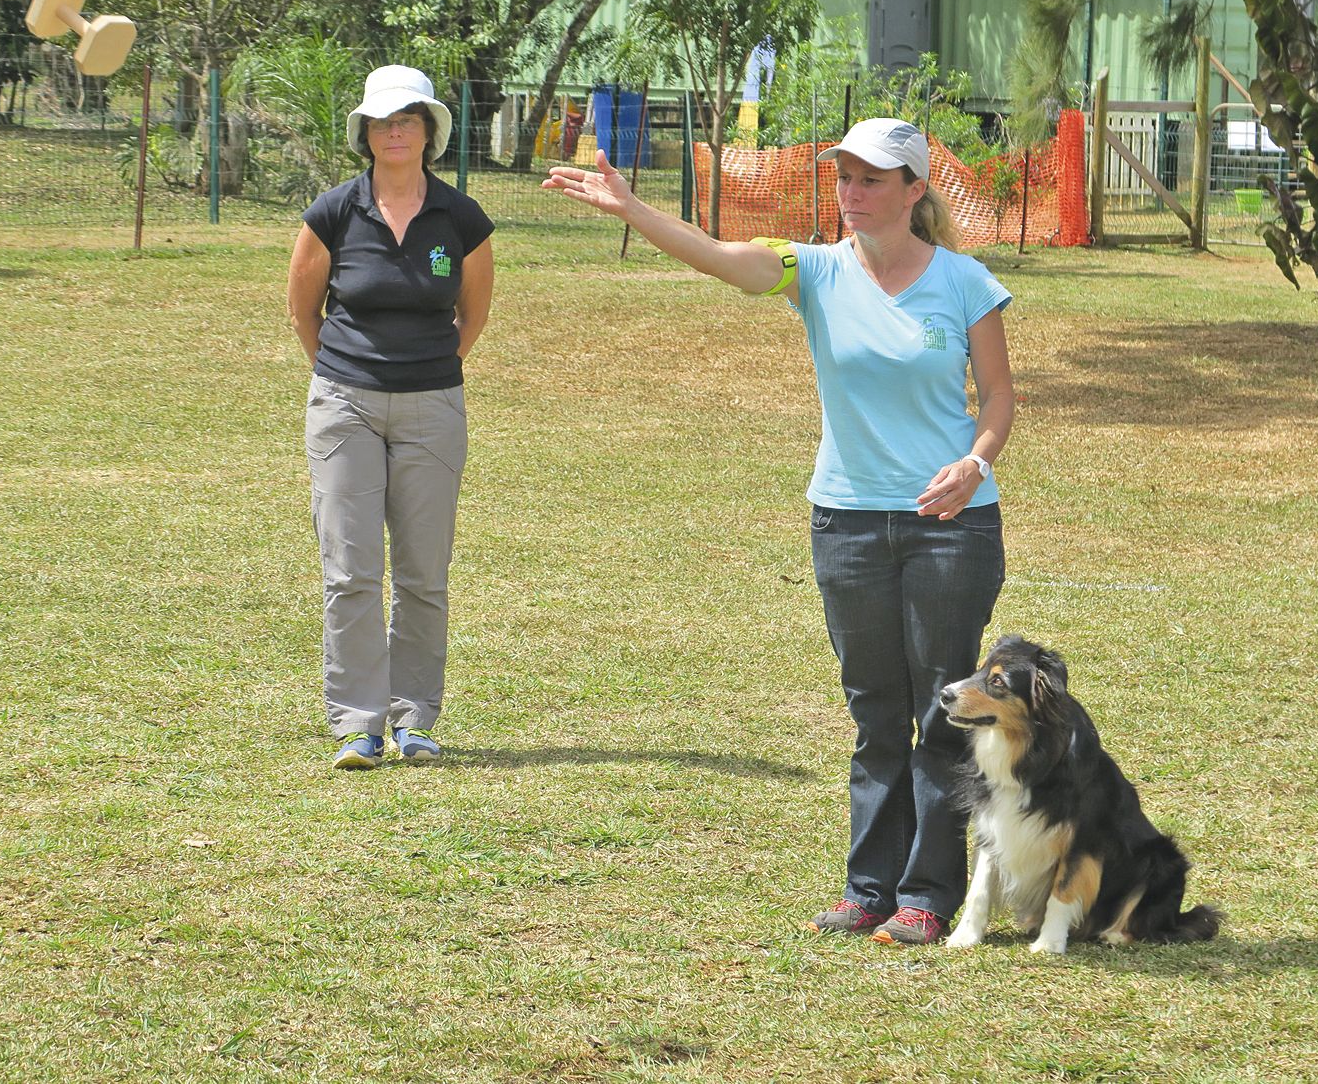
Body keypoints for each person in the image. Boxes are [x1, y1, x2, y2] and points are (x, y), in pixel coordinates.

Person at [544, 119, 1015, 945]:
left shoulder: (966, 283)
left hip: (951, 528)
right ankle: (868, 889)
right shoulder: (817, 270)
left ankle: (927, 896)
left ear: (914, 190)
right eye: (845, 178)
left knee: (943, 713)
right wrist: (633, 210)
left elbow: (1000, 402)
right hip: (848, 523)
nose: (853, 193)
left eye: (872, 179)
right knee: (874, 714)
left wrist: (973, 464)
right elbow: (720, 257)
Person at [287, 65, 496, 770]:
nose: (395, 130)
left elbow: (474, 314)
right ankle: (356, 725)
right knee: (349, 570)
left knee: (422, 573)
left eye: (408, 118)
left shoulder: (460, 218)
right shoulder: (333, 212)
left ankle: (415, 721)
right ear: (366, 135)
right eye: (382, 121)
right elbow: (302, 310)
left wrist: (424, 375)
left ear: (430, 130)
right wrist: (347, 375)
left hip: (433, 406)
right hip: (344, 404)